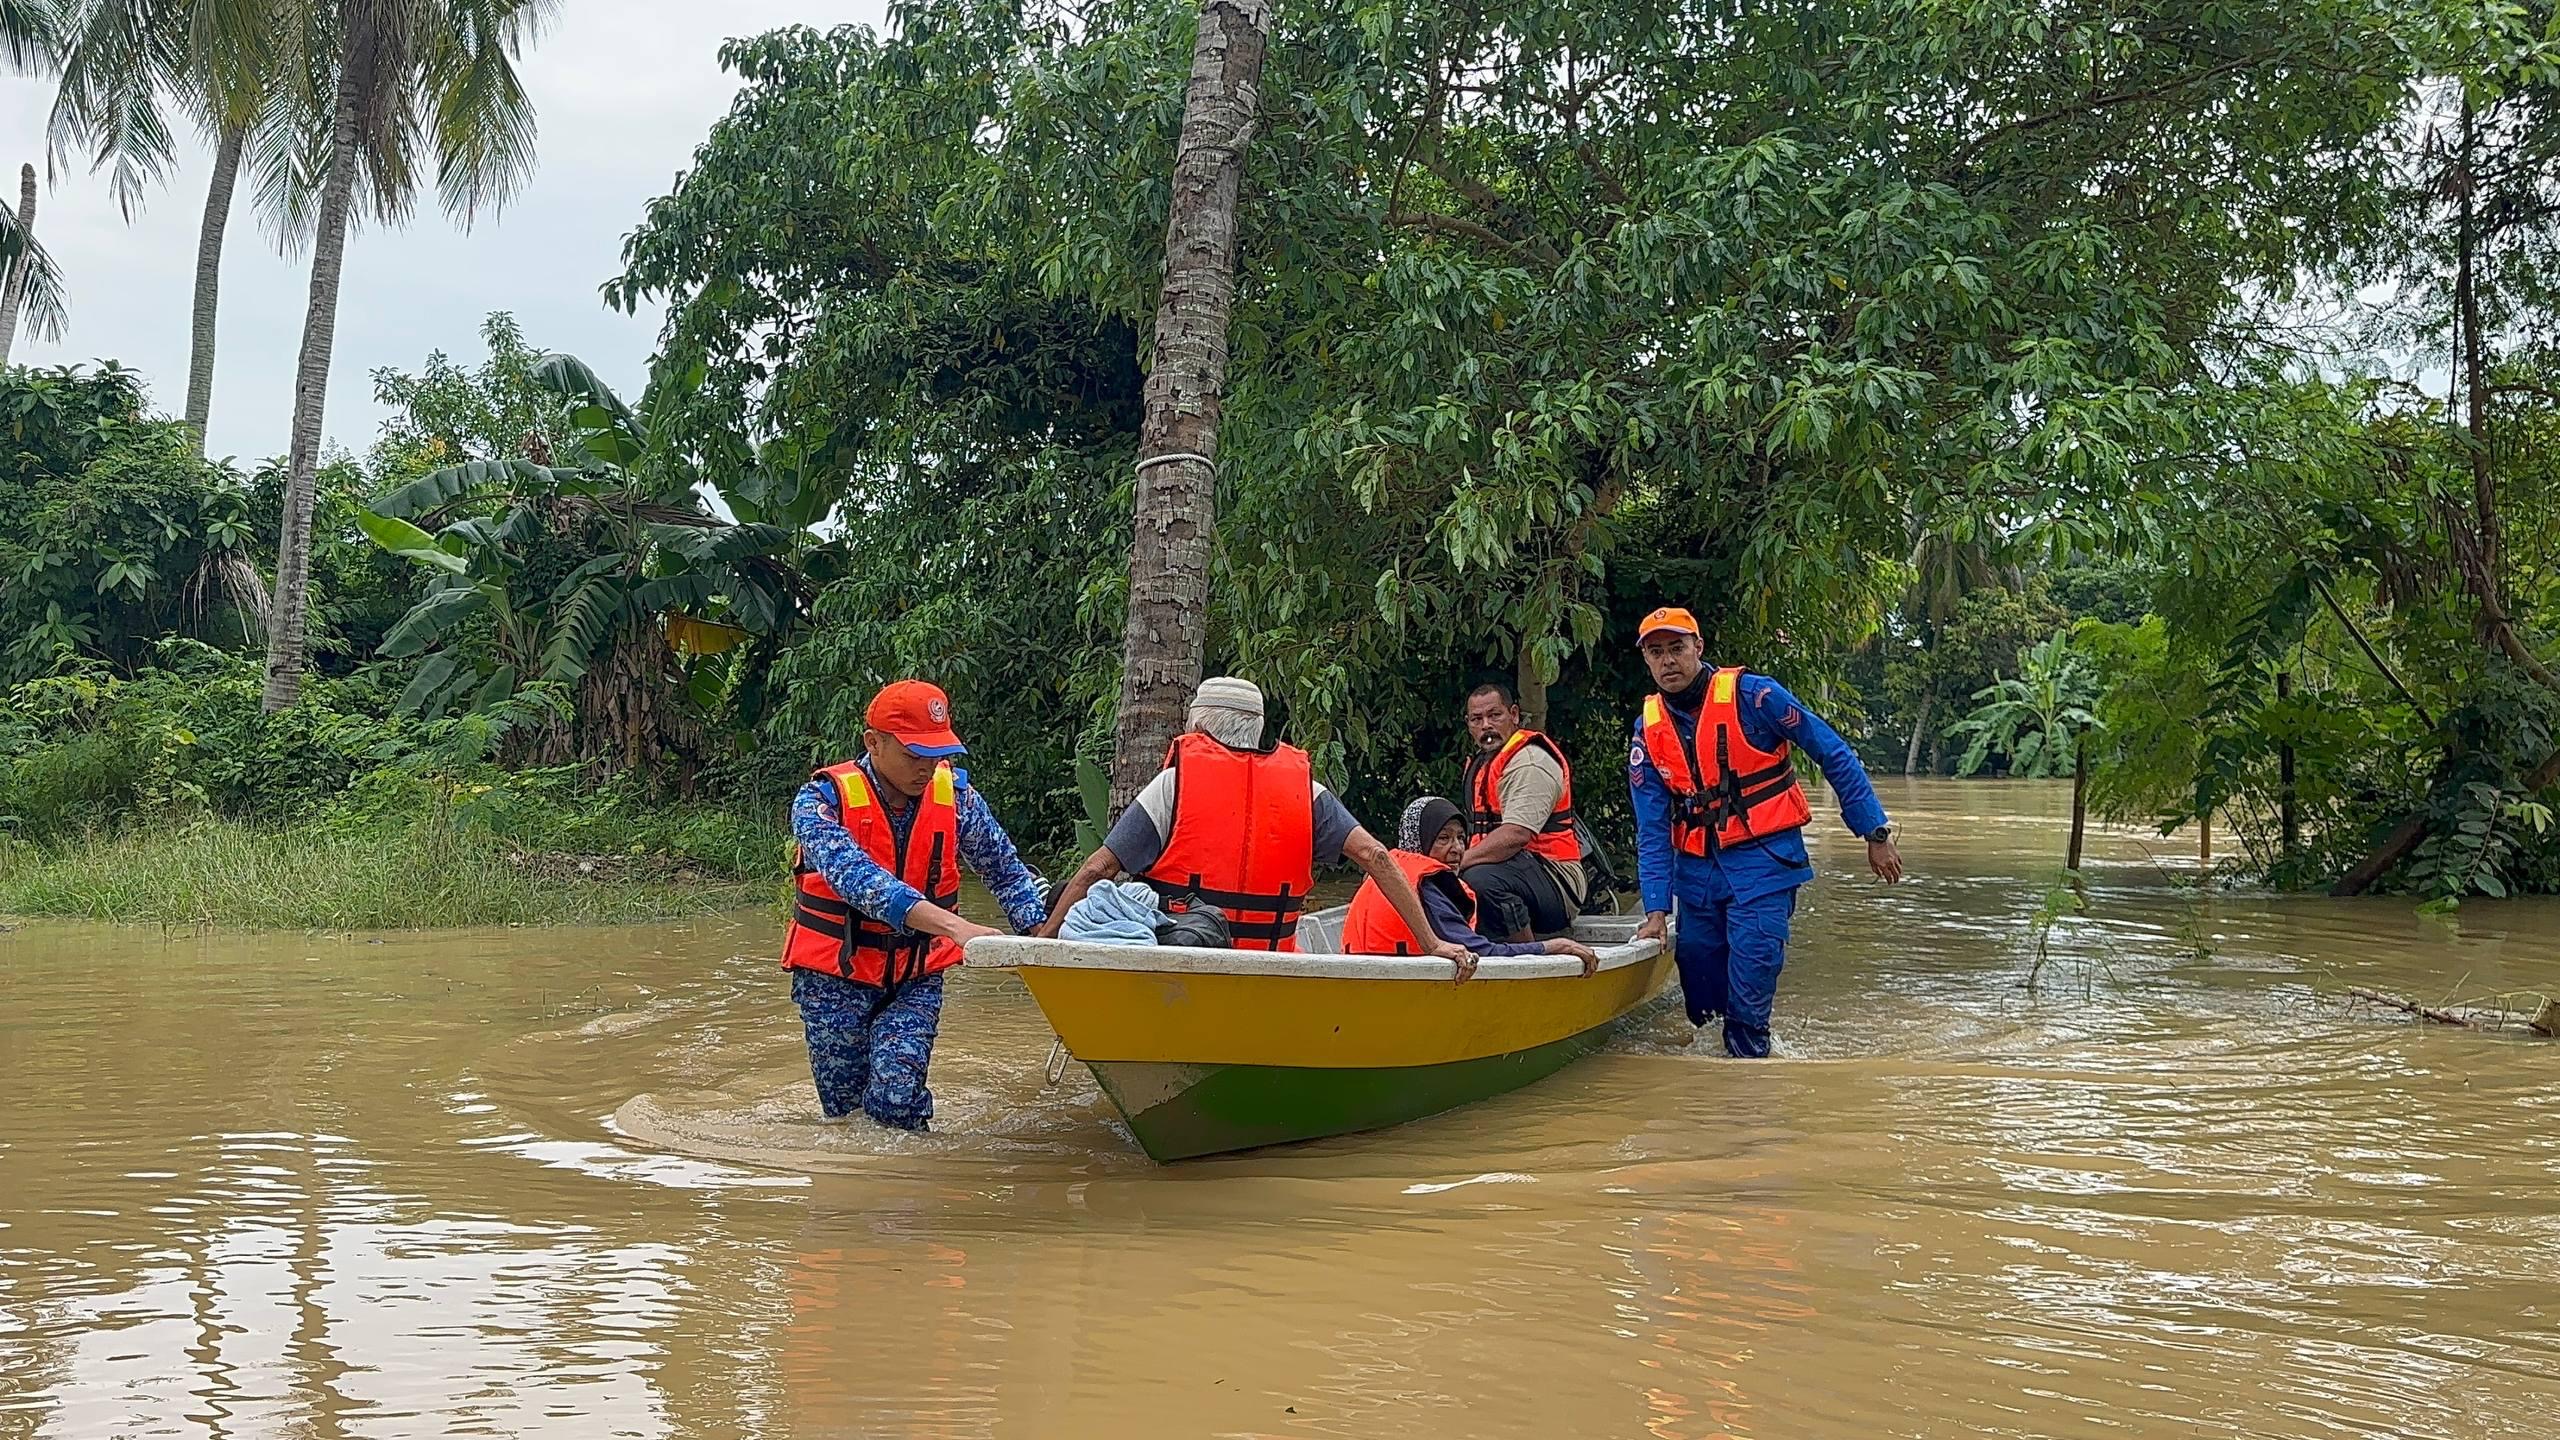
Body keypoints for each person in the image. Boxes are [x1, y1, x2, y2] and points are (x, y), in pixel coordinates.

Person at [1038, 677, 1472, 975]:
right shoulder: (1307, 791)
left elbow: (1097, 869)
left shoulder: (1174, 784)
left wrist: (1046, 937)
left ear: (1198, 727)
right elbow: (1376, 855)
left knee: (1069, 898)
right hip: (1273, 967)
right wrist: (1433, 944)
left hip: (1185, 965)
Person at [1626, 607, 1905, 1057]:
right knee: (1700, 992)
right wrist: (1656, 910)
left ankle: (1750, 1078)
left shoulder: (1756, 697)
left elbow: (1832, 752)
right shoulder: (1649, 729)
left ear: (1698, 647)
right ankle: (1709, 1083)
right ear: (1646, 660)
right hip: (1697, 876)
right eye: (1656, 653)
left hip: (1764, 863)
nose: (1668, 661)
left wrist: (1875, 832)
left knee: (1749, 991)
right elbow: (1652, 827)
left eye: (1677, 648)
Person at [780, 680, 1049, 1130]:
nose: (927, 767)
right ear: (873, 742)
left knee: (898, 1099)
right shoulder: (820, 802)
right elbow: (861, 883)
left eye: (937, 753)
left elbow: (1006, 872)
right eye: (914, 754)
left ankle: (919, 1175)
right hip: (835, 979)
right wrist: (957, 928)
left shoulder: (958, 800)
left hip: (916, 976)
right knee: (846, 1117)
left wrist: (1042, 934)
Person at [1342, 797, 1603, 975]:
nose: (1457, 848)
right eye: (1443, 838)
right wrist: (1552, 947)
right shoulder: (1429, 885)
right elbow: (1482, 952)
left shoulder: (1382, 874)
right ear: (1419, 840)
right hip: (1407, 984)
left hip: (1366, 978)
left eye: (1460, 838)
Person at [1456, 682, 1590, 939]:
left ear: (1514, 715)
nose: (1486, 725)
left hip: (1557, 879)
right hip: (1509, 869)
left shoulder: (1530, 762)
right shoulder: (1484, 763)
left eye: (1495, 715)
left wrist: (1456, 863)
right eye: (1477, 719)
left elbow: (1516, 835)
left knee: (1479, 879)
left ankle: (1529, 952)